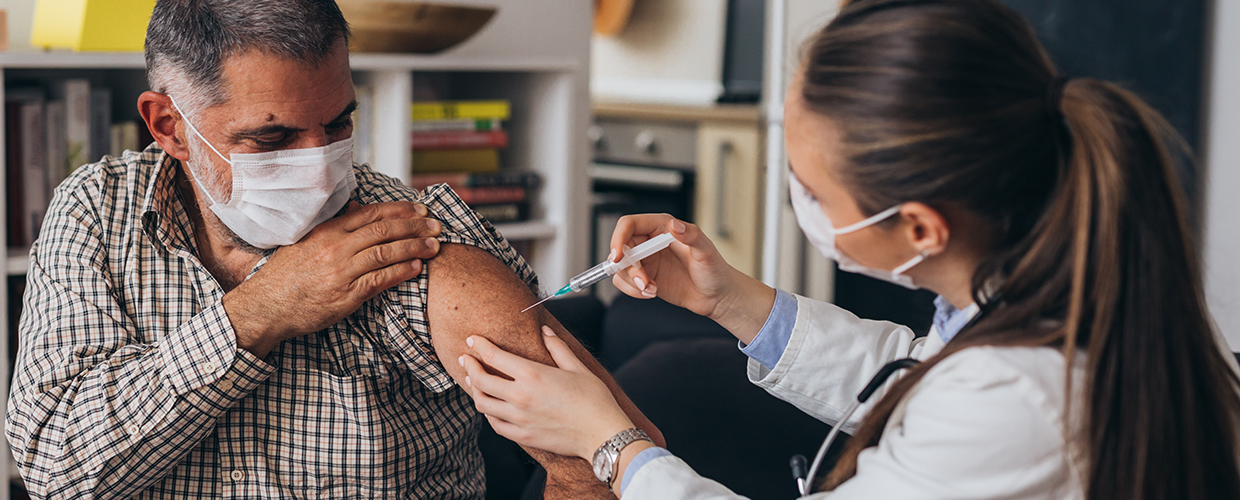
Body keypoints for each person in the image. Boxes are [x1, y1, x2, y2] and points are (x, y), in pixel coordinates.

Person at [457, 0, 1240, 498]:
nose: (800, 203)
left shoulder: (1017, 400)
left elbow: (948, 395)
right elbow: (912, 369)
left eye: (810, 188)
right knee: (639, 341)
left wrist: (610, 445)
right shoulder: (1030, 285)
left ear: (922, 228)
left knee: (653, 371)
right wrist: (728, 297)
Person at [4, 1, 660, 498]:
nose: (318, 168)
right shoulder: (98, 210)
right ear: (170, 126)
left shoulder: (413, 242)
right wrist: (258, 312)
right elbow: (56, 471)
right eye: (272, 138)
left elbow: (607, 455)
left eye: (339, 122)